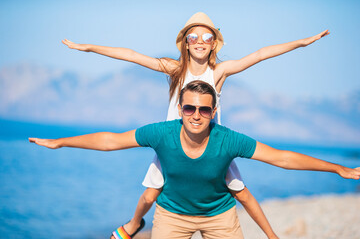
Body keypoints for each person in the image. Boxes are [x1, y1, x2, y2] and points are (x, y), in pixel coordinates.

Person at [62, 12, 329, 238]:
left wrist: (302, 43)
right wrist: (88, 48)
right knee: (149, 195)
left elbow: (260, 54)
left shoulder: (219, 72)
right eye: (193, 37)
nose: (200, 42)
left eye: (207, 38)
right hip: (171, 144)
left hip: (211, 146)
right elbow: (131, 55)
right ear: (185, 44)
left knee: (240, 191)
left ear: (214, 44)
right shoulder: (174, 68)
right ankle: (132, 226)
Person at [29, 80, 360, 239]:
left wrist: (338, 168)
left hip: (220, 217)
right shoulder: (162, 133)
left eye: (204, 109)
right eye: (190, 107)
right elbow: (111, 141)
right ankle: (132, 227)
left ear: (213, 112)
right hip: (172, 217)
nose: (196, 115)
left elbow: (282, 158)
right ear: (180, 109)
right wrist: (61, 142)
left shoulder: (228, 139)